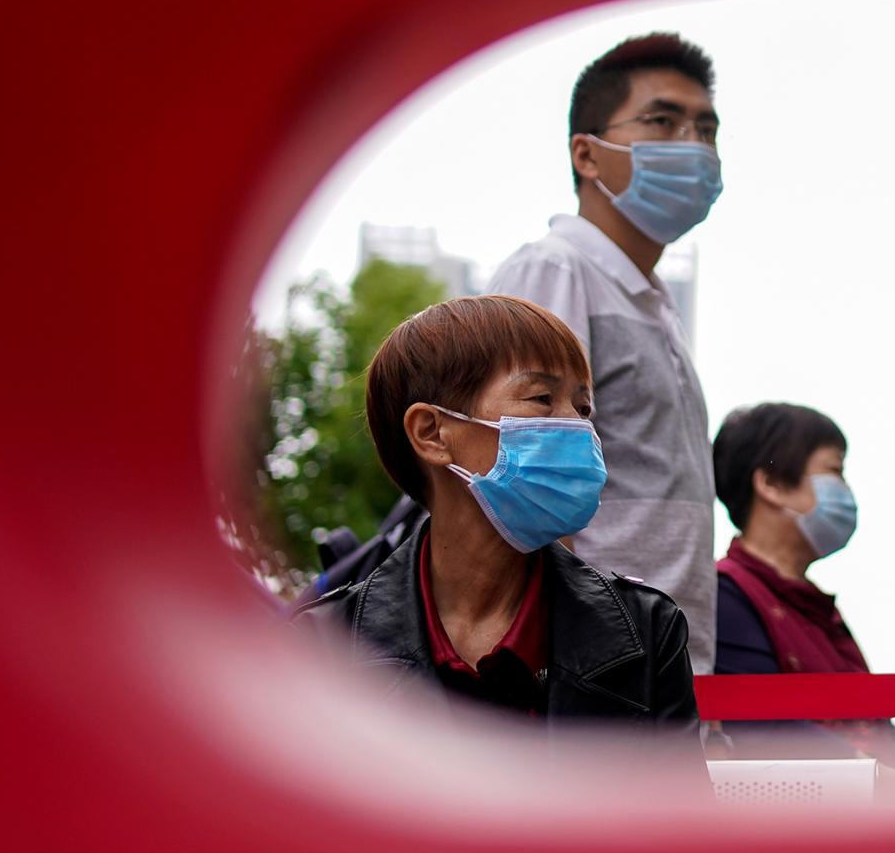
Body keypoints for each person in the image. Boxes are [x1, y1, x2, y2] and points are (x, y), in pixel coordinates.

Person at [297, 295, 701, 761]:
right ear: (431, 433)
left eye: (583, 408)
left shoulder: (648, 631)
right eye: (542, 399)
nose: (577, 428)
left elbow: (679, 829)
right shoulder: (323, 644)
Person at [483, 34, 722, 674]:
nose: (693, 146)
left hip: (665, 669)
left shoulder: (656, 304)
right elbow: (524, 484)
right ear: (587, 154)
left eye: (706, 128)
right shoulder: (554, 270)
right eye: (663, 121)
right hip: (591, 669)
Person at [710, 402, 895, 782]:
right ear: (771, 485)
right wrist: (878, 779)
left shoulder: (816, 608)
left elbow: (877, 722)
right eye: (834, 472)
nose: (846, 492)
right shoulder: (727, 595)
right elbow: (761, 729)